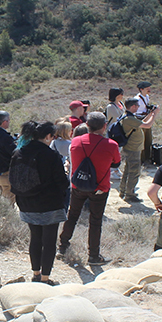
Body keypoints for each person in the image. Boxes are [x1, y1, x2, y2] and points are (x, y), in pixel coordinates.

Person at [10, 121, 70, 285]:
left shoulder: (18, 153)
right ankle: (45, 278)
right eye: (53, 136)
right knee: (49, 241)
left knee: (35, 238)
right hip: (49, 205)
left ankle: (36, 274)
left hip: (26, 203)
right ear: (48, 136)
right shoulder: (51, 155)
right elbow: (62, 183)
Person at [59, 112, 122, 266]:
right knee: (95, 221)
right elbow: (116, 163)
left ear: (87, 125)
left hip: (78, 185)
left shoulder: (75, 142)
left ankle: (62, 246)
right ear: (104, 126)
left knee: (72, 215)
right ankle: (93, 256)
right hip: (100, 187)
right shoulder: (111, 145)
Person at [118, 98, 157, 203]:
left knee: (128, 170)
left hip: (131, 148)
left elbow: (143, 122)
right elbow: (147, 125)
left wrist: (150, 114)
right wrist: (154, 115)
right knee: (134, 172)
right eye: (137, 105)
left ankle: (123, 191)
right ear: (133, 106)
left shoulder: (128, 117)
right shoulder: (129, 119)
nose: (138, 107)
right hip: (133, 149)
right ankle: (129, 194)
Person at [134, 81, 156, 164]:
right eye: (147, 88)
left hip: (147, 117)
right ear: (141, 89)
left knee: (148, 139)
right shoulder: (137, 99)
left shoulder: (147, 97)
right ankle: (142, 160)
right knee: (142, 140)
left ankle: (148, 158)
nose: (149, 90)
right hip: (140, 119)